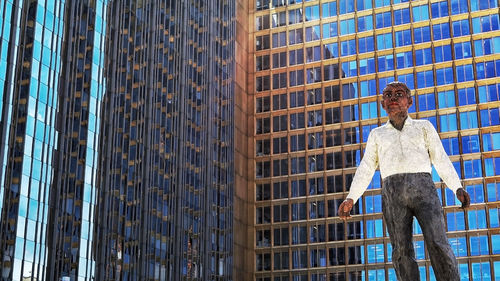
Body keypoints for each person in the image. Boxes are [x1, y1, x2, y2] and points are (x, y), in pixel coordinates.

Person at [338, 81, 470, 281]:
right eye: (388, 95)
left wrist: (457, 187)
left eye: (398, 94)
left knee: (438, 242)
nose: (393, 99)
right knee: (401, 251)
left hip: (424, 190)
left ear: (409, 101)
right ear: (383, 104)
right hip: (393, 194)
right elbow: (366, 168)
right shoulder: (377, 135)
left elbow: (440, 158)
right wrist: (351, 198)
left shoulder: (424, 127)